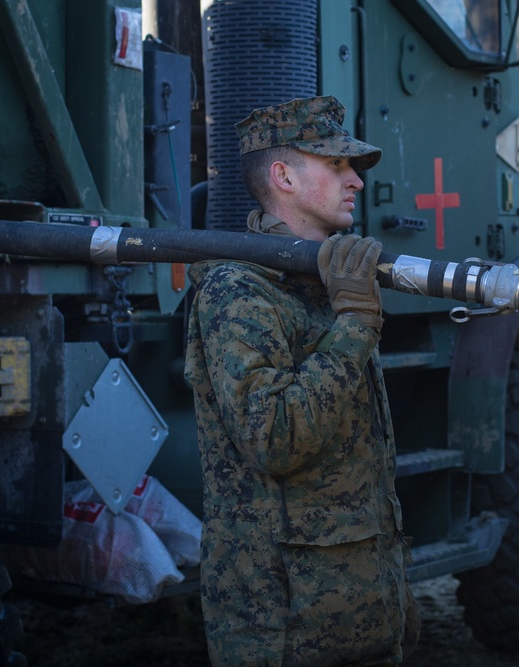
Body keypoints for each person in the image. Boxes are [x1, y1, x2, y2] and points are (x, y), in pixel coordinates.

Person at [184, 95, 420, 666]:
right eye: (337, 165)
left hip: (358, 619)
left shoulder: (324, 280)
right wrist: (356, 323)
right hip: (285, 629)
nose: (357, 183)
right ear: (283, 176)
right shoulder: (239, 291)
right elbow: (275, 438)